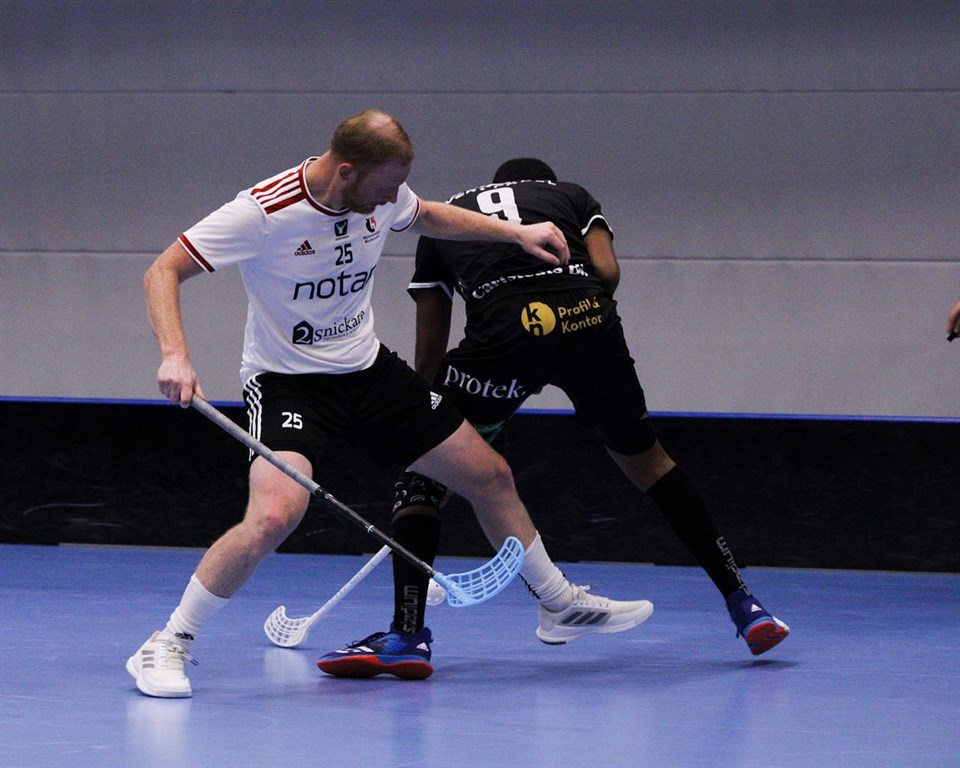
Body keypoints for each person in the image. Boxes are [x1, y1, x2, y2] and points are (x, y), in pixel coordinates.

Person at [127, 113, 654, 698]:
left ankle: (558, 604)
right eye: (384, 188)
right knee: (274, 517)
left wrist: (514, 234)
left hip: (368, 370)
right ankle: (168, 642)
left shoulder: (381, 194)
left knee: (490, 475)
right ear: (346, 172)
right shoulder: (263, 212)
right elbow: (163, 270)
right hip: (288, 383)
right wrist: (175, 355)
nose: (391, 200)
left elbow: (426, 214)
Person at [317, 158, 788, 680]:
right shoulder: (572, 196)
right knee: (652, 465)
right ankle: (745, 605)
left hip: (501, 343)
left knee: (422, 481)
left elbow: (430, 346)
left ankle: (407, 634)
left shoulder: (446, 218)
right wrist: (570, 330)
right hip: (587, 323)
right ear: (543, 183)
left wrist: (434, 424)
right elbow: (607, 271)